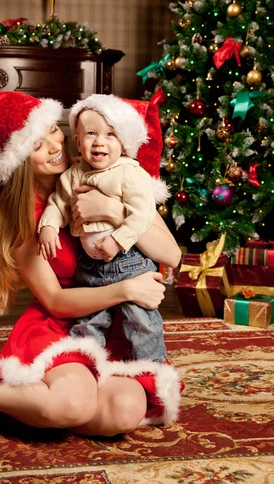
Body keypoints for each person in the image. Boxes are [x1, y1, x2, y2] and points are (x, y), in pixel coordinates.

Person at [0, 90, 183, 437]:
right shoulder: (24, 218)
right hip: (62, 324)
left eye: (54, 131)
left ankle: (46, 402)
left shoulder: (104, 169)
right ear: (19, 161)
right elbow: (56, 301)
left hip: (113, 325)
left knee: (123, 412)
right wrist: (126, 289)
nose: (55, 146)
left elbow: (172, 255)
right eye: (37, 144)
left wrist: (113, 210)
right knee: (72, 405)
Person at [38, 94, 170, 363]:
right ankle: (91, 365)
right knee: (87, 322)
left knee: (140, 319)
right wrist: (49, 225)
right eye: (91, 134)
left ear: (123, 143)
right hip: (90, 266)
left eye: (110, 134)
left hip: (129, 261)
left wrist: (118, 240)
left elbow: (141, 214)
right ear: (77, 141)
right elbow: (58, 202)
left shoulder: (129, 173)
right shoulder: (72, 175)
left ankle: (151, 368)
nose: (100, 141)